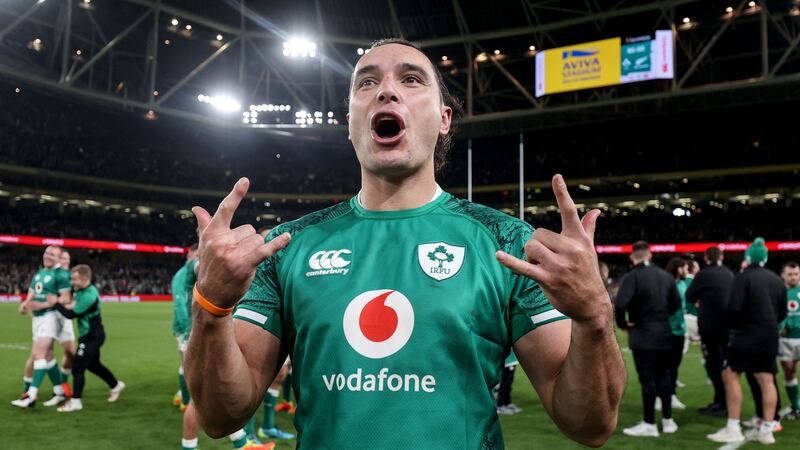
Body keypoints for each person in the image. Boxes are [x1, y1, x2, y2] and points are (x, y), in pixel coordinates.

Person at [184, 38, 625, 449]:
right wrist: (212, 305)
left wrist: (595, 315)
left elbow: (590, 424)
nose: (386, 91)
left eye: (411, 79)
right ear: (350, 124)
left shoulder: (506, 242)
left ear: (444, 119)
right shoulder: (287, 247)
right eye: (367, 81)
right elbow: (221, 418)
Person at [707, 238, 787, 444]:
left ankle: (733, 426)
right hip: (769, 336)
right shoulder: (777, 280)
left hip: (745, 336)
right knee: (767, 380)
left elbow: (733, 309)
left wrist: (735, 328)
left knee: (730, 374)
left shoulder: (743, 277)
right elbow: (782, 312)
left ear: (748, 257)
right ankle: (767, 430)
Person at [615, 241, 682, 437]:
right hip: (664, 333)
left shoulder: (632, 277)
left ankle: (650, 423)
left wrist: (624, 325)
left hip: (643, 334)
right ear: (650, 255)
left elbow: (620, 305)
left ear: (632, 257)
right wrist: (660, 316)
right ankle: (668, 421)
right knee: (665, 377)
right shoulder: (666, 276)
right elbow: (676, 304)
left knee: (648, 380)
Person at [52, 264, 125, 412]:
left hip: (92, 336)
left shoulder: (89, 296)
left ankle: (76, 401)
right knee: (93, 365)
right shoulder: (81, 290)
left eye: (74, 279)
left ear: (85, 279)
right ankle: (116, 385)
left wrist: (55, 304)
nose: (72, 282)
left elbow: (71, 315)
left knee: (78, 367)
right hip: (89, 334)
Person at [12, 246, 73, 408]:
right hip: (38, 319)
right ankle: (59, 391)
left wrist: (43, 304)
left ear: (59, 259)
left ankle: (30, 396)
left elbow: (66, 298)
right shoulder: (40, 272)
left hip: (51, 317)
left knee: (39, 353)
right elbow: (33, 290)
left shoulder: (61, 275)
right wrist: (25, 303)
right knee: (48, 356)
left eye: (52, 254)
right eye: (46, 252)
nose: (48, 256)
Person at [686, 246, 734, 417]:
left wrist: (701, 301)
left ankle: (721, 402)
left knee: (713, 365)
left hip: (710, 327)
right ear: (721, 256)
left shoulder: (704, 274)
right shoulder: (729, 273)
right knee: (725, 365)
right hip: (728, 328)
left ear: (706, 257)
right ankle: (726, 402)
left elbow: (689, 296)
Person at [171, 244, 198, 412]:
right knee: (188, 364)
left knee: (193, 365)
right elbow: (180, 304)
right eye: (197, 254)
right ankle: (186, 402)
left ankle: (183, 395)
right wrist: (188, 329)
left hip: (194, 326)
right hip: (186, 327)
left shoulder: (195, 273)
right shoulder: (182, 275)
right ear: (189, 254)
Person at [664, 257, 688, 411]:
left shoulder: (682, 284)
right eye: (685, 268)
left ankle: (669, 395)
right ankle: (668, 396)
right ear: (678, 269)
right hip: (669, 330)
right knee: (668, 367)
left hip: (680, 329)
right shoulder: (668, 284)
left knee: (674, 366)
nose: (687, 271)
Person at [778, 261, 800, 419]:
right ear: (783, 276)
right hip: (786, 340)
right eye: (790, 274)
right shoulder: (778, 293)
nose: (794, 277)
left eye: (796, 274)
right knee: (789, 370)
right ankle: (796, 407)